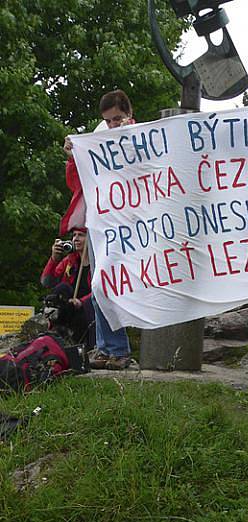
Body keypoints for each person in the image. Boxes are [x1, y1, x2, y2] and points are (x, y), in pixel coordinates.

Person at [63, 89, 134, 370]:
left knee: (110, 284)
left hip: (123, 222)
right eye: (109, 121)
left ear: (128, 114)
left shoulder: (138, 136)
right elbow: (78, 181)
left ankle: (117, 348)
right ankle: (106, 347)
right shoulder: (98, 138)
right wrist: (73, 155)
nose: (113, 126)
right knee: (98, 284)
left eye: (118, 119)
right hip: (99, 221)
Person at [41, 227, 95, 347]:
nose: (76, 238)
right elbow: (47, 282)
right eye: (74, 235)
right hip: (70, 307)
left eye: (81, 235)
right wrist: (54, 258)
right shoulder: (70, 260)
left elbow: (102, 290)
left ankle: (89, 347)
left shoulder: (99, 262)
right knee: (62, 288)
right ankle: (55, 334)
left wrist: (81, 301)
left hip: (89, 309)